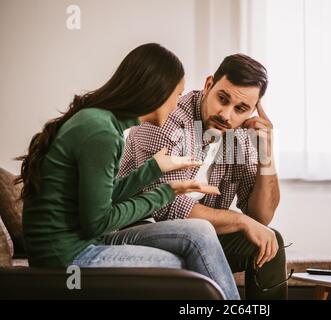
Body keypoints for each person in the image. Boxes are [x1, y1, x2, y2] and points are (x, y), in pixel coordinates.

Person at [16, 43, 240, 300]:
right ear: (158, 92)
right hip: (67, 258)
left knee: (200, 231)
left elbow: (105, 197)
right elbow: (97, 222)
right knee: (179, 265)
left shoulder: (103, 123)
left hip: (85, 242)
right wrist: (165, 193)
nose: (178, 103)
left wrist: (153, 169)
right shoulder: (100, 131)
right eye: (176, 95)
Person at [119, 53, 288, 299]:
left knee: (270, 241)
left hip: (199, 237)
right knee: (201, 233)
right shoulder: (168, 120)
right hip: (140, 229)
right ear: (209, 84)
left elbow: (261, 216)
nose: (226, 115)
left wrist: (266, 155)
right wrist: (240, 221)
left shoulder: (238, 135)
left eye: (240, 109)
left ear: (252, 111)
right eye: (222, 98)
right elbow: (168, 207)